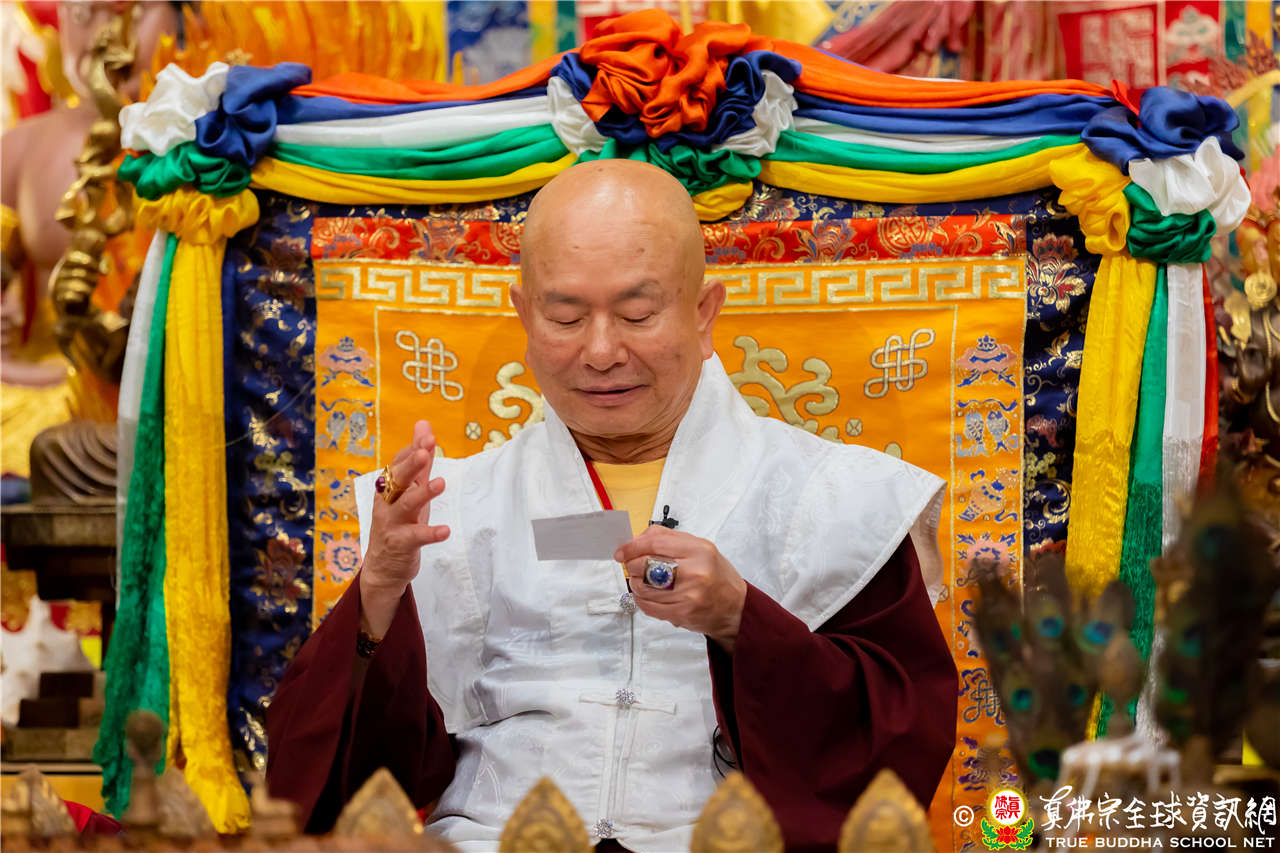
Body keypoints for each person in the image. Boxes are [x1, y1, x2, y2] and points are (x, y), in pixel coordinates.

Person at [266, 160, 958, 853]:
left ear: (703, 313)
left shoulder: (831, 498)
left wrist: (741, 622)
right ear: (524, 315)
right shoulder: (455, 506)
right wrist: (379, 591)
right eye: (565, 317)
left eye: (636, 314)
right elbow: (324, 785)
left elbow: (897, 752)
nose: (600, 352)